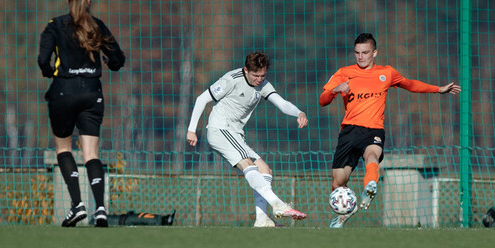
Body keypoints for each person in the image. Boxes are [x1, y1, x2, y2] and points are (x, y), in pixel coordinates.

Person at [320, 33, 460, 228]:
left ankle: (370, 185)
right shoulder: (344, 72)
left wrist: (438, 89)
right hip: (349, 131)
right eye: (357, 53)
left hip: (374, 129)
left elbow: (410, 84)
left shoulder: (387, 73)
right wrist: (335, 90)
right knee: (338, 183)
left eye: (365, 52)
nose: (360, 57)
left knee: (372, 157)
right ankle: (348, 209)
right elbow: (322, 101)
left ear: (375, 53)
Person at [38, 0, 125, 227]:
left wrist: (49, 72)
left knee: (64, 149)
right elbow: (118, 59)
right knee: (91, 154)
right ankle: (100, 209)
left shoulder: (54, 26)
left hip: (63, 92)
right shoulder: (96, 26)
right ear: (89, 0)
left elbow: (43, 59)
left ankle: (77, 205)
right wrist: (110, 62)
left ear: (67, 0)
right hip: (91, 92)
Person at [186, 51, 308, 226]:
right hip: (220, 129)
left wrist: (299, 112)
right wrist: (191, 130)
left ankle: (261, 219)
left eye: (263, 75)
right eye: (255, 75)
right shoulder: (231, 79)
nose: (259, 79)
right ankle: (277, 204)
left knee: (265, 170)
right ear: (246, 70)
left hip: (235, 134)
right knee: (248, 165)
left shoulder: (263, 84)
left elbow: (281, 103)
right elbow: (201, 99)